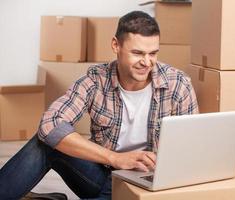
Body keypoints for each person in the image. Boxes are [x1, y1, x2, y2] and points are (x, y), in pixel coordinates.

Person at [0, 10, 198, 200]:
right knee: (44, 142)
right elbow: (50, 124)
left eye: (153, 53)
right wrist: (114, 158)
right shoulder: (96, 80)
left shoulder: (178, 84)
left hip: (145, 185)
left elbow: (190, 147)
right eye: (137, 53)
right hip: (101, 175)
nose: (147, 62)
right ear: (115, 45)